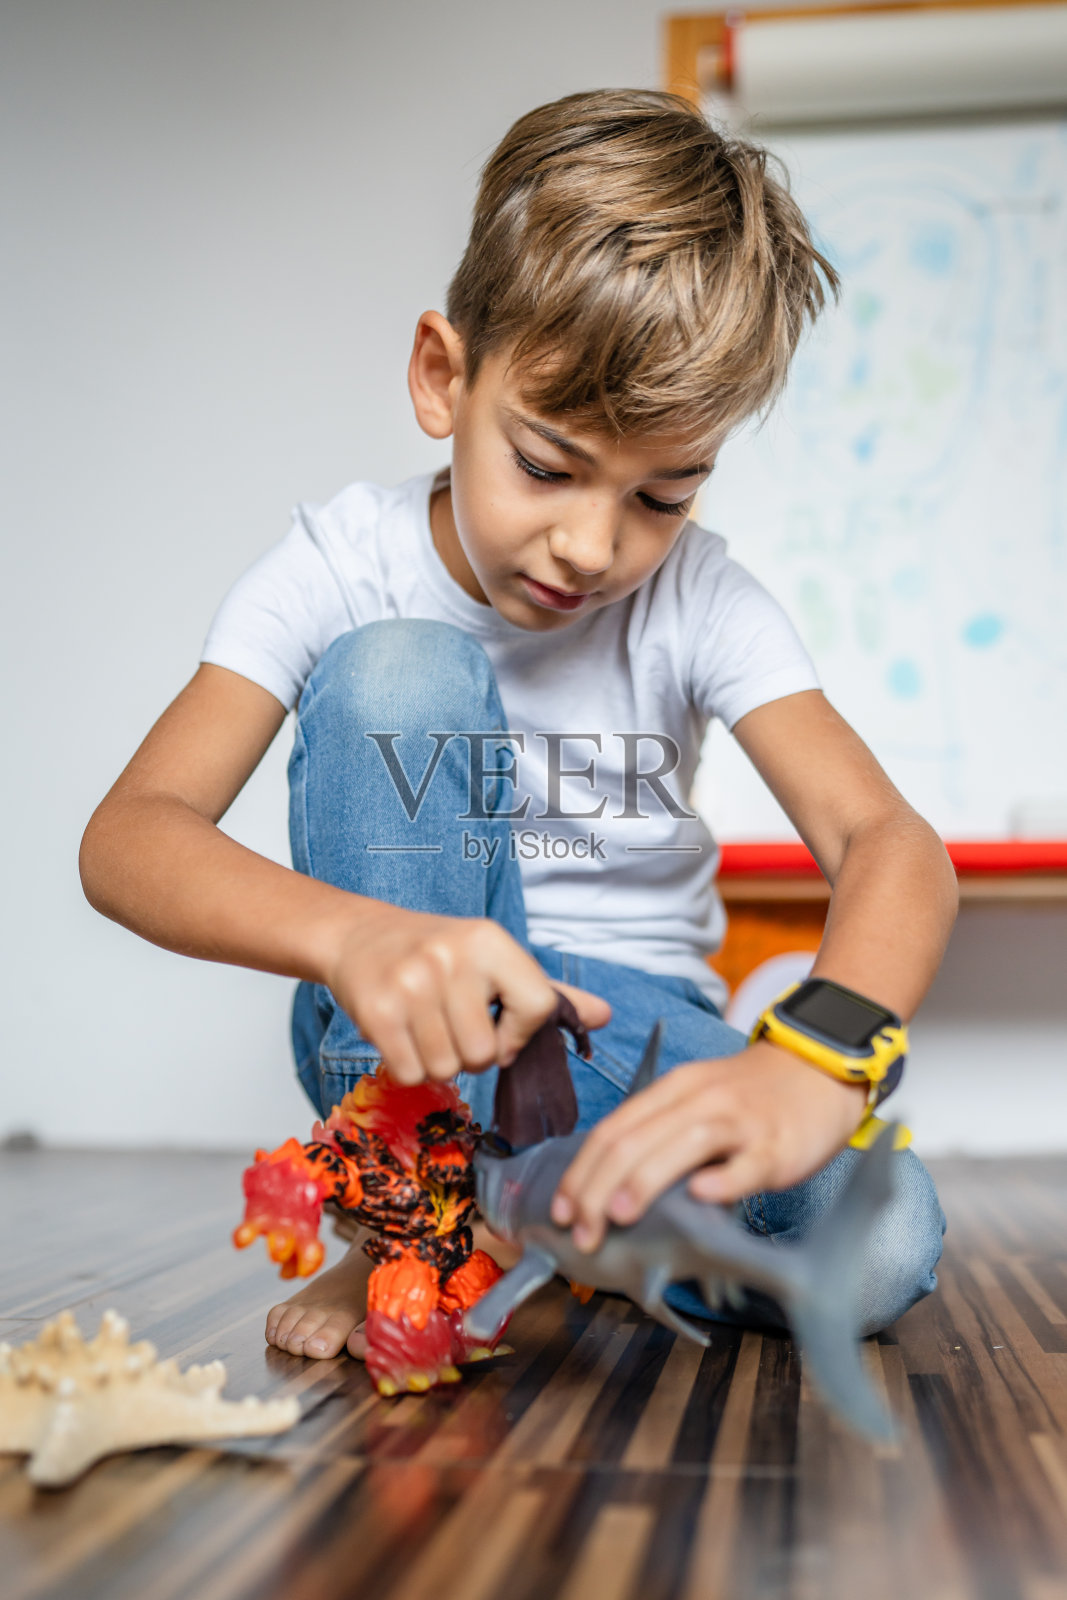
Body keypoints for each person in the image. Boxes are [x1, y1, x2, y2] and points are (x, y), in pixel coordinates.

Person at [79, 89, 954, 1364]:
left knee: (881, 1242)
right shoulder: (338, 563)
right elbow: (128, 838)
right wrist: (358, 937)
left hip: (625, 1037)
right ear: (443, 376)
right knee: (394, 669)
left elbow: (889, 842)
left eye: (662, 494)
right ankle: (417, 1210)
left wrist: (812, 1064)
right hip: (408, 1035)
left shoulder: (701, 597)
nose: (592, 545)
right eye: (546, 466)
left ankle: (534, 1226)